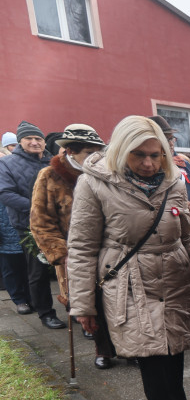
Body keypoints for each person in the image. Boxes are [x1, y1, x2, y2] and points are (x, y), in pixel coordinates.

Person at [67, 116, 190, 400]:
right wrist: (83, 304)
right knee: (155, 366)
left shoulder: (174, 181)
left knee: (173, 362)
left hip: (174, 283)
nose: (148, 163)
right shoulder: (93, 183)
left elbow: (186, 233)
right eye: (139, 155)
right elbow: (81, 247)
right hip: (131, 285)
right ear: (121, 150)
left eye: (156, 155)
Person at [29, 124, 116, 368]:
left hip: (108, 249)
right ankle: (104, 351)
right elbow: (40, 221)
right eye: (89, 152)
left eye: (99, 151)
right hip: (74, 253)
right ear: (70, 151)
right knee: (90, 303)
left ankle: (128, 349)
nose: (96, 157)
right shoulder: (49, 176)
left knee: (115, 300)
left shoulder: (104, 173)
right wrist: (61, 255)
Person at [0, 120, 66, 329]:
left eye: (38, 138)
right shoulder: (7, 163)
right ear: (20, 141)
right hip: (29, 226)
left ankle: (76, 310)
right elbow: (6, 194)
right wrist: (39, 209)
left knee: (67, 269)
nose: (35, 142)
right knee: (38, 271)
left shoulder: (53, 161)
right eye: (29, 138)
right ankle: (46, 313)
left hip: (59, 224)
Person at [148, 116, 190, 207]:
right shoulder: (147, 167)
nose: (171, 144)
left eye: (172, 138)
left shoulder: (185, 165)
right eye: (166, 139)